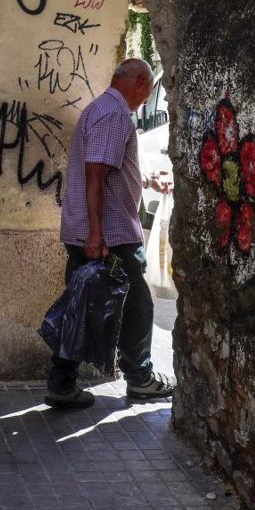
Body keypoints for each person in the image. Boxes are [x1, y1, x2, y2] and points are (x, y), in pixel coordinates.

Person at [45, 57, 176, 409]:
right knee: (138, 305)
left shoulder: (99, 110)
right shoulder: (115, 115)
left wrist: (145, 179)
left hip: (96, 231)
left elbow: (110, 170)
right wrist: (96, 234)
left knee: (80, 305)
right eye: (147, 92)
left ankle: (62, 381)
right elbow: (96, 175)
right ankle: (140, 377)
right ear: (141, 84)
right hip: (110, 235)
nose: (146, 100)